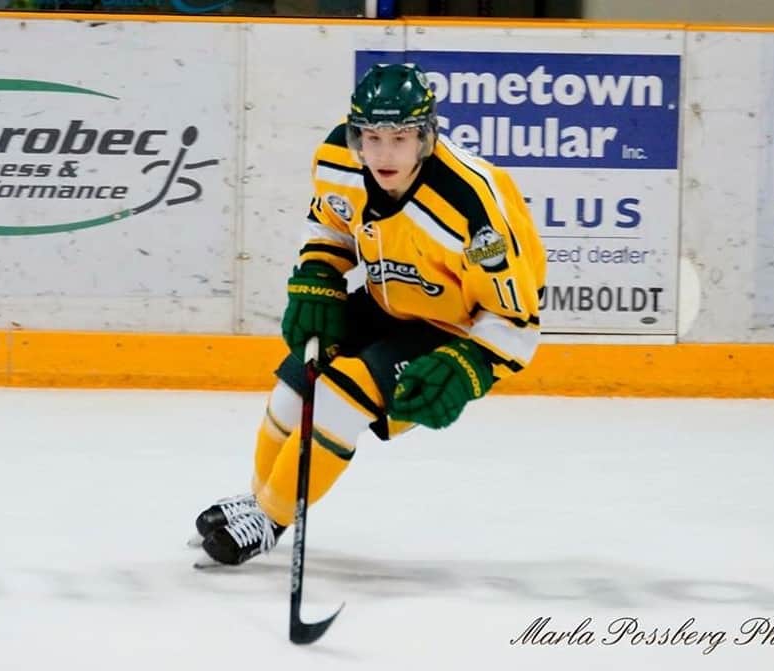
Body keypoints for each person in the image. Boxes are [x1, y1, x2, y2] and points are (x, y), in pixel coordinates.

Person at [192, 63, 546, 567]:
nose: (383, 154)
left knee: (341, 397)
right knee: (293, 385)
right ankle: (260, 500)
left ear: (426, 138)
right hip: (385, 301)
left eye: (400, 139)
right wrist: (319, 275)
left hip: (449, 330)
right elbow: (330, 224)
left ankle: (270, 517)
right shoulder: (339, 157)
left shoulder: (474, 209)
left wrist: (468, 366)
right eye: (372, 137)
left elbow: (516, 319)